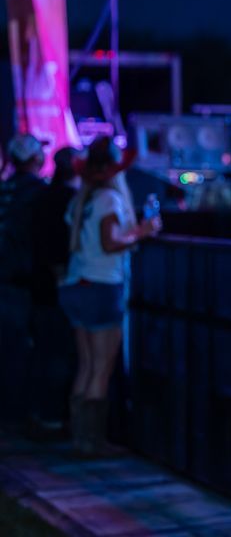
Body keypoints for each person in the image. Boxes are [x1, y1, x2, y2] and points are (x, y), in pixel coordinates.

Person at [58, 137, 160, 456]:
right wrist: (143, 231)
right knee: (101, 368)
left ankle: (80, 438)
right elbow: (110, 242)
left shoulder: (82, 199)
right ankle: (92, 442)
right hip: (102, 285)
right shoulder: (108, 200)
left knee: (87, 365)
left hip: (77, 283)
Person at [29, 147, 81, 435]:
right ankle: (55, 416)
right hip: (59, 286)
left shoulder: (42, 197)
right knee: (61, 353)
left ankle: (43, 413)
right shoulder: (70, 201)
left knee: (44, 351)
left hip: (38, 285)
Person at [0, 134, 47, 421]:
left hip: (8, 281)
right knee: (19, 351)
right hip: (21, 284)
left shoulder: (5, 190)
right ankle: (16, 415)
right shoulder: (37, 193)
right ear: (34, 159)